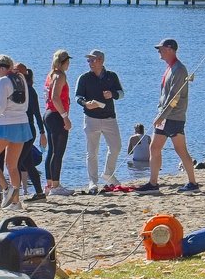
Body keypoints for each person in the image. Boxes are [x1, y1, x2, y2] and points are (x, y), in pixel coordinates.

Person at [148, 37, 198, 192]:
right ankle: (153, 183)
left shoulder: (179, 69)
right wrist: (161, 114)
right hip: (167, 116)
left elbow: (174, 96)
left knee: (178, 150)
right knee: (156, 148)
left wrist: (162, 115)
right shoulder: (170, 68)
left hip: (173, 117)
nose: (159, 52)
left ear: (169, 49)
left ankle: (192, 183)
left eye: (161, 49)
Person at [0, 53, 31, 208]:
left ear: (2, 67)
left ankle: (6, 189)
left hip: (7, 125)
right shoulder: (21, 78)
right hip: (22, 124)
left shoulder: (3, 81)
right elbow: (25, 104)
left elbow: (1, 106)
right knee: (12, 165)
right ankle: (16, 202)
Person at [75, 48, 124, 192]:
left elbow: (121, 93)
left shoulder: (111, 76)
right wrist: (85, 104)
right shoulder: (84, 78)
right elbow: (78, 96)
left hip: (109, 118)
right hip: (91, 118)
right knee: (92, 152)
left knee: (116, 147)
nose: (89, 62)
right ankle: (92, 182)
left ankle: (108, 173)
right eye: (88, 60)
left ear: (101, 61)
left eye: (93, 59)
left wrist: (112, 94)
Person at [10, 62, 46, 198]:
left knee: (17, 162)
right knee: (28, 162)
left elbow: (37, 113)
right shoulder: (14, 90)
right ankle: (39, 193)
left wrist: (43, 132)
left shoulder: (30, 91)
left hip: (28, 130)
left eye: (16, 72)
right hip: (18, 129)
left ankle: (15, 196)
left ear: (23, 74)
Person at [43, 49, 75, 195]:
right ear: (63, 62)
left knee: (52, 151)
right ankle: (55, 186)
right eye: (67, 62)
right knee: (58, 152)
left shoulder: (50, 75)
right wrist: (65, 117)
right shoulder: (59, 75)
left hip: (49, 114)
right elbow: (55, 97)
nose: (69, 65)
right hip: (56, 115)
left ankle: (49, 184)